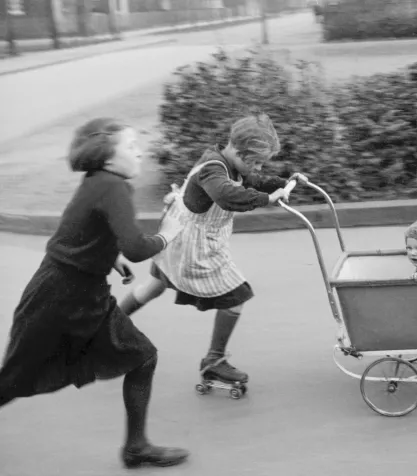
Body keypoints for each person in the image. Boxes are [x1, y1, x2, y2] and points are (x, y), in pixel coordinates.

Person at [0, 118, 189, 469]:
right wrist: (168, 233)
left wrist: (109, 255)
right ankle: (136, 447)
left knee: (143, 357)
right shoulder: (113, 187)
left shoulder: (100, 182)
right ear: (108, 157)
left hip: (81, 293)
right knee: (13, 381)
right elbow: (135, 246)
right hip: (57, 298)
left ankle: (136, 448)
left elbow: (79, 227)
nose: (140, 151)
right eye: (131, 147)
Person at [118, 113, 306, 387]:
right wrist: (267, 199)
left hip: (176, 235)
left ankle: (103, 330)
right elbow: (227, 196)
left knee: (154, 286)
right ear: (237, 150)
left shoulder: (232, 164)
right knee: (237, 294)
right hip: (191, 246)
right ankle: (214, 361)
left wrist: (284, 182)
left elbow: (252, 180)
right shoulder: (213, 169)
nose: (254, 167)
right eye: (252, 161)